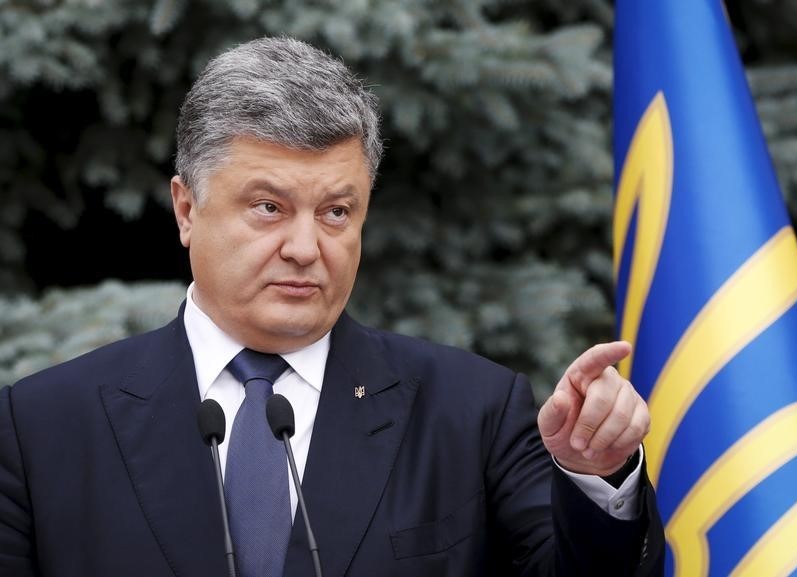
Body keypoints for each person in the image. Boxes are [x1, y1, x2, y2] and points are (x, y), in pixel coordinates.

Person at [0, 37, 664, 577]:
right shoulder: (41, 428)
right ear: (186, 209)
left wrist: (594, 474)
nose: (304, 247)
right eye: (268, 208)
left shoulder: (471, 410)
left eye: (336, 212)